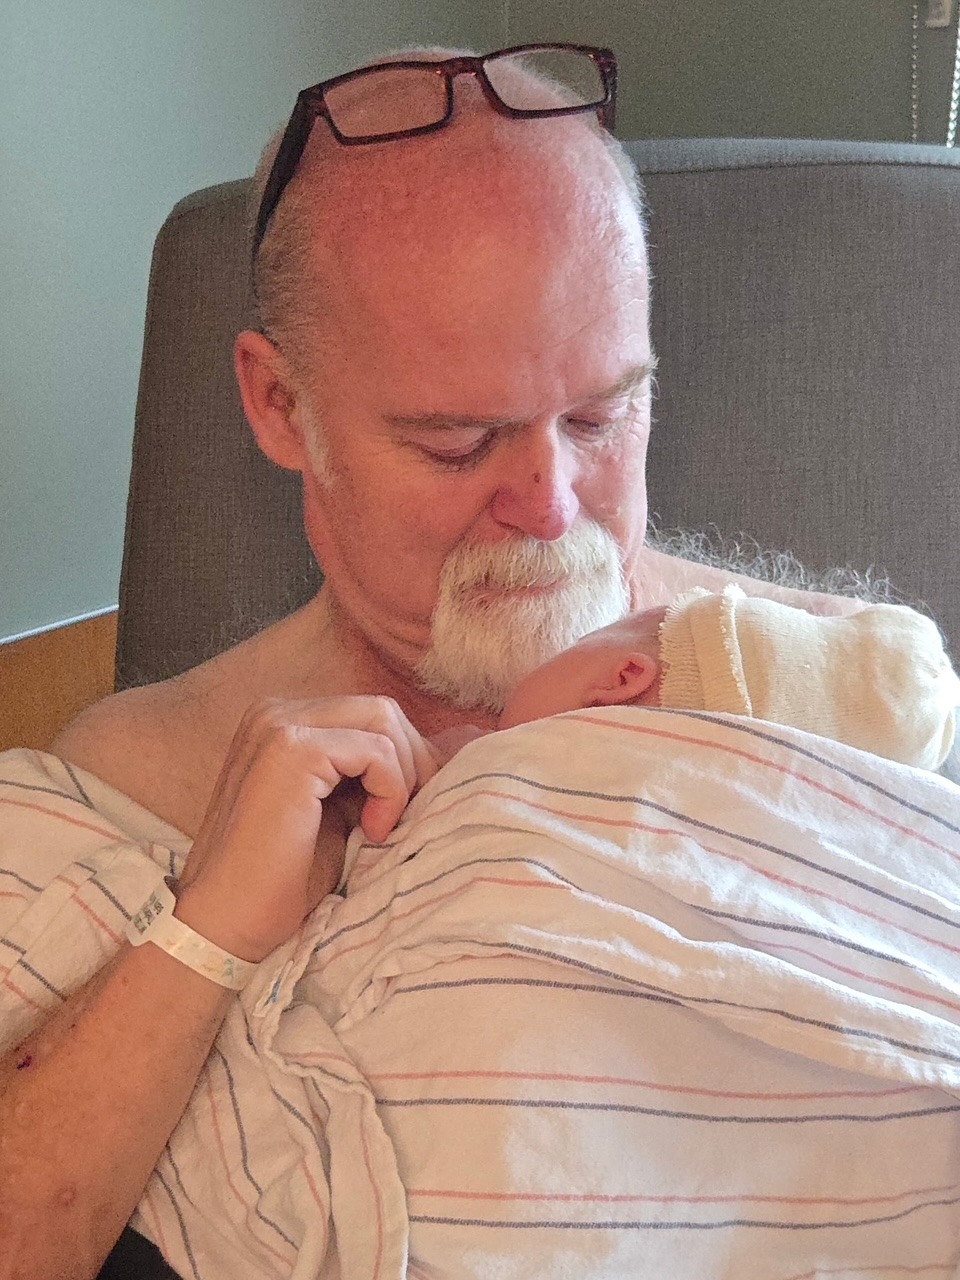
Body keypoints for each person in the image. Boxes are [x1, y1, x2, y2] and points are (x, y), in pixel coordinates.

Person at [0, 42, 937, 1279]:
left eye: (601, 414)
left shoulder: (829, 689)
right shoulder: (134, 784)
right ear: (280, 406)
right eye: (456, 442)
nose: (551, 503)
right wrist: (203, 934)